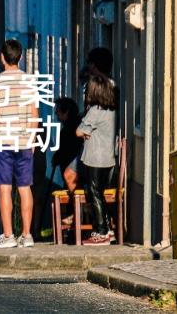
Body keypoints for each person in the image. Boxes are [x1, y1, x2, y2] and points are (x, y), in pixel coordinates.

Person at [0, 40, 40, 249]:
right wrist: (32, 138)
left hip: (2, 140)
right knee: (25, 188)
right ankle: (26, 235)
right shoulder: (29, 81)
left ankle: (8, 235)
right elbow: (34, 114)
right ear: (19, 57)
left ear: (2, 57)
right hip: (24, 140)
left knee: (4, 188)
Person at [77, 76, 117, 246]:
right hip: (108, 158)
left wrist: (85, 132)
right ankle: (108, 229)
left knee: (94, 194)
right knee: (100, 194)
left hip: (95, 158)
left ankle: (101, 231)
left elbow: (79, 131)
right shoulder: (111, 110)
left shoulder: (95, 110)